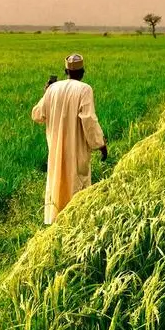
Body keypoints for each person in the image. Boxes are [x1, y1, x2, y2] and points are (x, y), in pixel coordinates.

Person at [31, 53, 108, 225]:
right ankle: (76, 223)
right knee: (77, 185)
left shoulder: (53, 89)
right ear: (83, 72)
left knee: (58, 182)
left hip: (56, 149)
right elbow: (88, 120)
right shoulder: (84, 89)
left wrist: (46, 93)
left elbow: (37, 114)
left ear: (66, 71)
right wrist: (101, 144)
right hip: (76, 148)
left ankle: (58, 222)